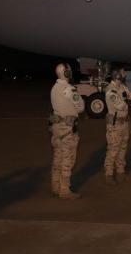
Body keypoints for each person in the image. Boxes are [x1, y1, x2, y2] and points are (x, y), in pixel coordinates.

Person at [49, 63, 84, 199]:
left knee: (58, 156)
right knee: (68, 159)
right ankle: (65, 190)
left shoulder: (54, 88)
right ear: (67, 73)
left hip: (57, 128)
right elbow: (80, 107)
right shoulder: (69, 90)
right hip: (68, 129)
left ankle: (55, 185)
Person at [104, 66, 131, 185]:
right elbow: (121, 105)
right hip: (115, 126)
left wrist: (129, 99)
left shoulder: (122, 87)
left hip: (124, 123)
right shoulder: (110, 90)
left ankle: (121, 173)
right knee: (113, 150)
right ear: (117, 75)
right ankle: (109, 175)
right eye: (123, 72)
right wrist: (128, 100)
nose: (125, 74)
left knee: (122, 149)